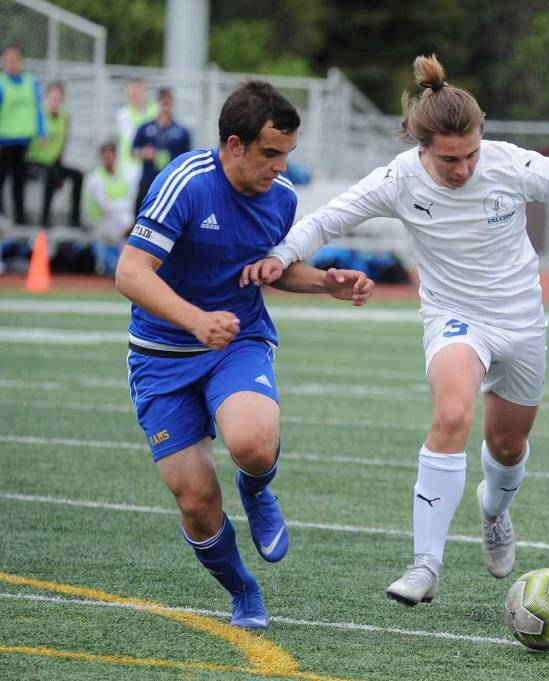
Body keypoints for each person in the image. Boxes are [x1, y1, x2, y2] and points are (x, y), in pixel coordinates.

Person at [240, 54, 549, 607]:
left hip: (522, 321)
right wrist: (282, 254)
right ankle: (424, 565)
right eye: (448, 159)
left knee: (507, 447)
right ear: (421, 148)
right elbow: (325, 219)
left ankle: (495, 509)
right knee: (453, 412)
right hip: (455, 317)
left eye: (471, 155)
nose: (462, 168)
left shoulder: (512, 165)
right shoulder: (398, 179)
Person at [115, 80, 374, 629]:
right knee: (196, 503)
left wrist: (328, 281)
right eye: (270, 154)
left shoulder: (280, 199)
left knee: (253, 444)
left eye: (288, 155)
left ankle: (255, 489)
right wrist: (194, 319)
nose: (281, 167)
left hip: (238, 340)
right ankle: (243, 590)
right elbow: (129, 272)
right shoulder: (186, 182)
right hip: (161, 357)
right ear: (234, 145)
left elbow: (273, 270)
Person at [26, 82, 83, 227]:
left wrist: (59, 166)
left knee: (78, 176)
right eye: (52, 98)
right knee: (50, 175)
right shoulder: (38, 116)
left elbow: (62, 143)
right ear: (46, 98)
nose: (55, 102)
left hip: (53, 163)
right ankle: (44, 219)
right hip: (34, 161)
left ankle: (74, 220)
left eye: (58, 99)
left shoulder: (64, 118)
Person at [0, 44, 45, 225]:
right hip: (3, 141)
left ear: (20, 61)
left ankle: (20, 217)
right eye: (7, 61)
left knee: (19, 182)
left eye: (14, 61)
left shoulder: (30, 82)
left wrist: (41, 132)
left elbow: (38, 109)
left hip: (23, 141)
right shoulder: (1, 82)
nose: (11, 64)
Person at [132, 87, 191, 215]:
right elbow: (133, 151)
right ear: (157, 103)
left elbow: (187, 158)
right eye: (162, 103)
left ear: (172, 103)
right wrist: (144, 153)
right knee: (140, 214)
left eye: (167, 103)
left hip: (170, 182)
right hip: (148, 180)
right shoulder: (145, 127)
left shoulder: (182, 131)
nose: (165, 107)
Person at [84, 141, 132, 274]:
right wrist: (121, 206)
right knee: (123, 226)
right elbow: (104, 205)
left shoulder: (122, 175)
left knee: (127, 225)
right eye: (105, 156)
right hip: (100, 220)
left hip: (117, 219)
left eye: (111, 156)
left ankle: (123, 265)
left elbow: (129, 199)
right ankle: (107, 264)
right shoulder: (95, 177)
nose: (108, 159)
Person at [115, 77, 157, 195]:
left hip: (151, 164)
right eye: (130, 91)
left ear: (144, 91)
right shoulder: (123, 114)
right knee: (133, 202)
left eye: (136, 90)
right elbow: (133, 139)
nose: (133, 94)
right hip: (130, 164)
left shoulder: (155, 109)